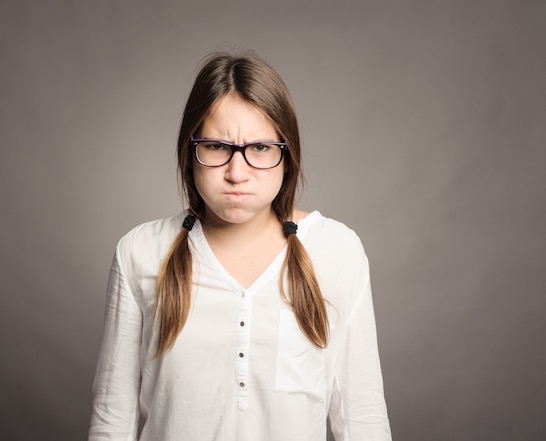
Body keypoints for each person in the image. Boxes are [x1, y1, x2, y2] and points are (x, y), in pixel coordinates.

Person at [88, 51, 392, 441]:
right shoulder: (140, 252)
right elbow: (112, 418)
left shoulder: (337, 251)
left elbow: (362, 417)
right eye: (216, 146)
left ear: (287, 156)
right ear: (190, 152)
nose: (237, 172)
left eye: (260, 148)